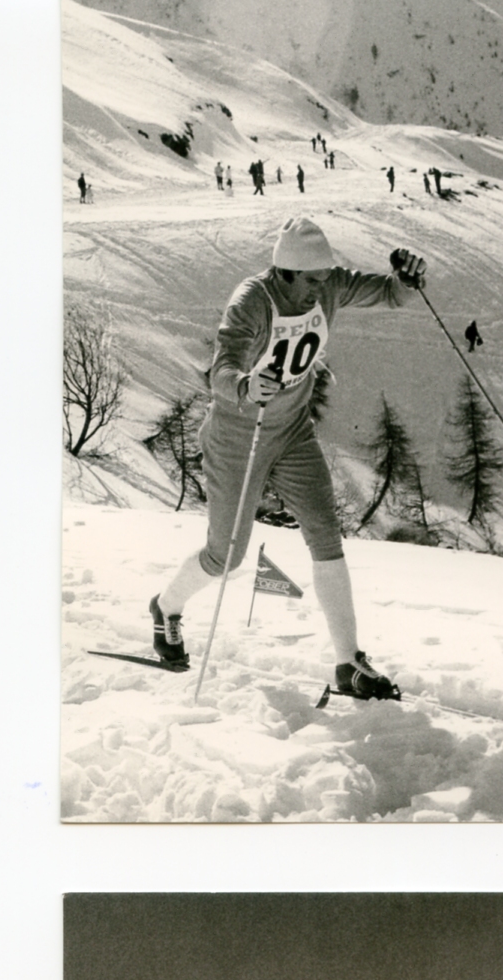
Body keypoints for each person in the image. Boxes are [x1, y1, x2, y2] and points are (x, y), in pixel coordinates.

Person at [148, 216, 425, 698]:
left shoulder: (327, 284)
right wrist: (245, 386)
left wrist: (406, 280)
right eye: (314, 280)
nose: (323, 289)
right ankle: (166, 607)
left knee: (325, 535)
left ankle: (348, 663)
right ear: (286, 273)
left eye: (327, 278)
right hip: (239, 438)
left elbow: (389, 294)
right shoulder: (253, 301)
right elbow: (222, 368)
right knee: (227, 555)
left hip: (293, 433)